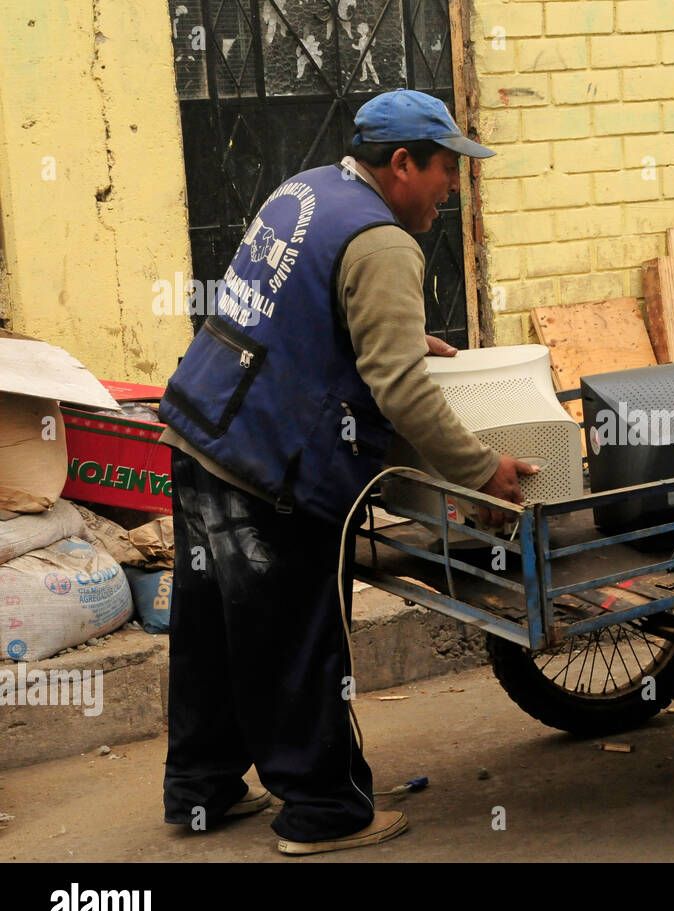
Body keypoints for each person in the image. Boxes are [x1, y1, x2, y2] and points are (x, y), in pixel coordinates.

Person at [157, 89, 535, 855]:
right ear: (402, 163)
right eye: (445, 170)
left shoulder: (305, 191)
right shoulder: (386, 243)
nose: (451, 188)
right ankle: (324, 811)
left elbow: (296, 307)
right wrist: (480, 471)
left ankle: (203, 787)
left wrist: (390, 335)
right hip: (268, 467)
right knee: (296, 639)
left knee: (216, 631)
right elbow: (398, 390)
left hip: (201, 434)